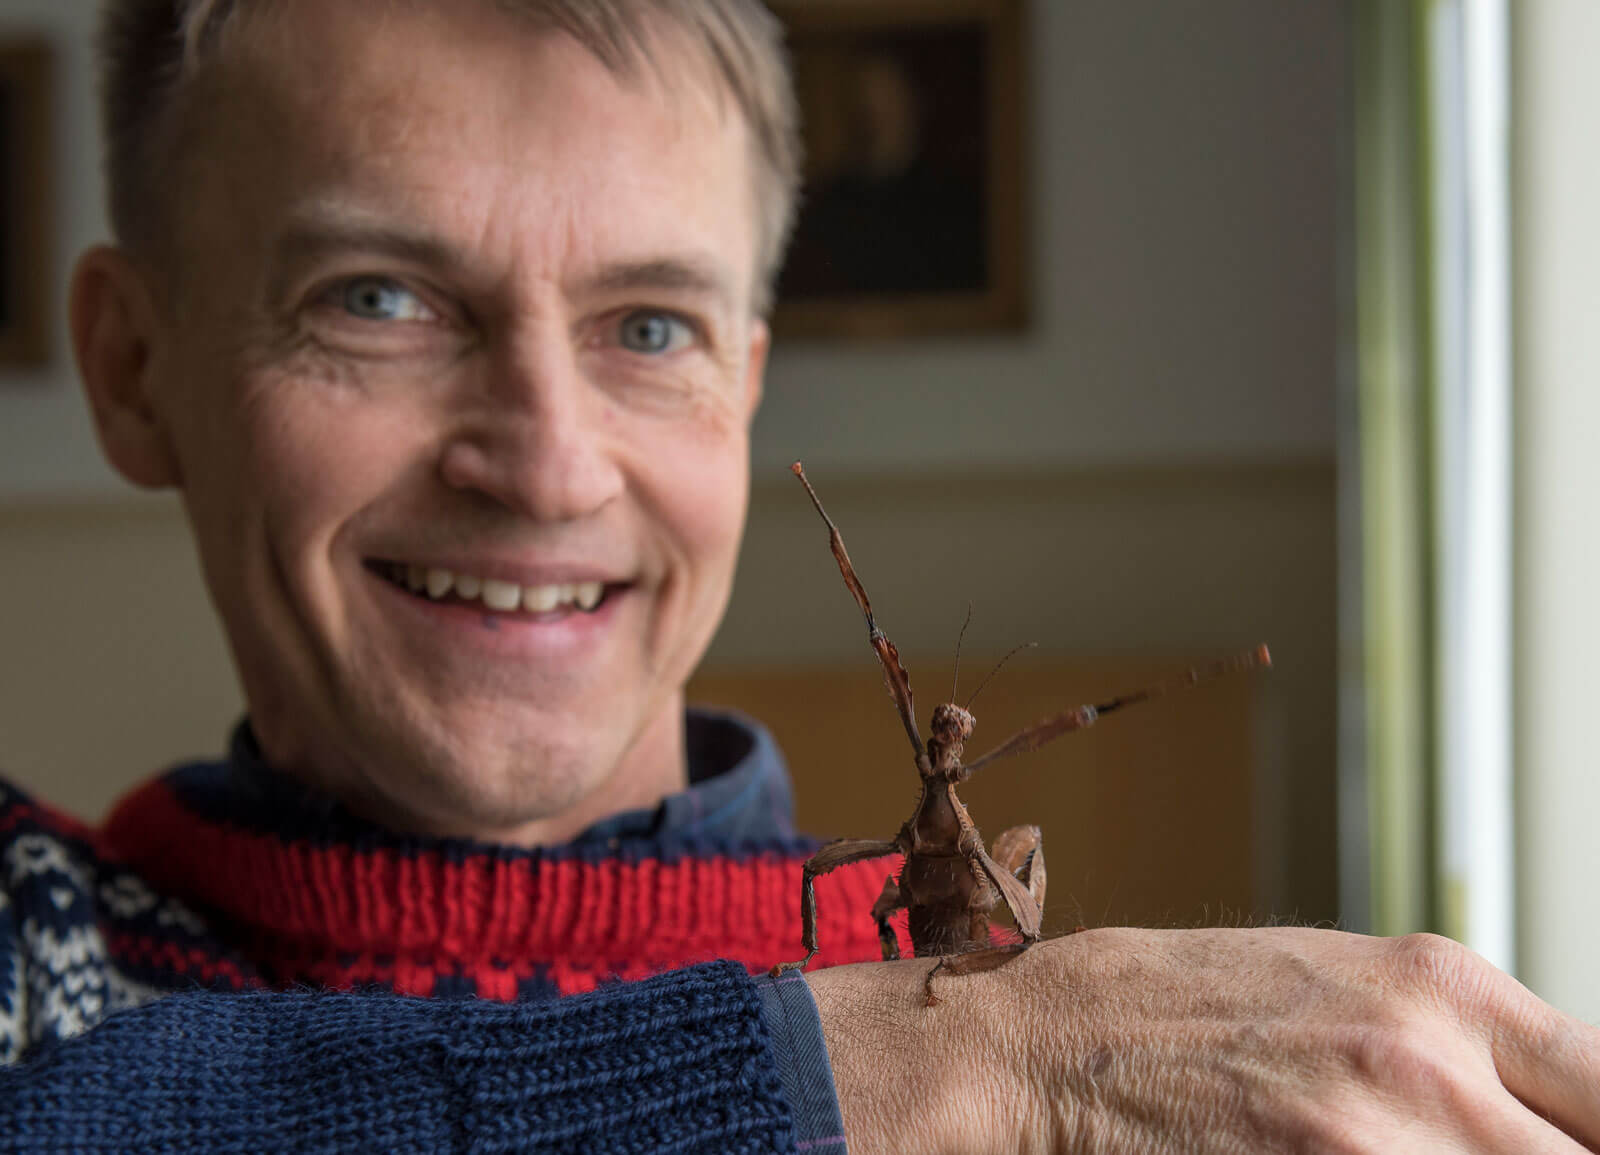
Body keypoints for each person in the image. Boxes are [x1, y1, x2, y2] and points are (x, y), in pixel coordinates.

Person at [3, 0, 1598, 1150]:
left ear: (746, 389)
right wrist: (895, 1078)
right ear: (133, 372)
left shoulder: (1091, 1065)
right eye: (378, 301)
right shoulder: (35, 954)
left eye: (649, 328)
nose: (549, 463)